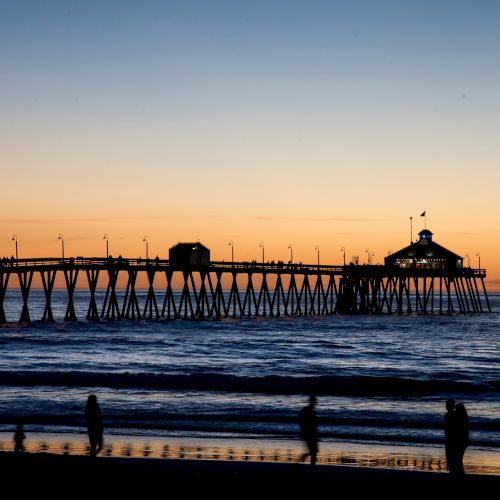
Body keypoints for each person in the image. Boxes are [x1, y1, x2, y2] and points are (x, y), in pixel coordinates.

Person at [299, 395, 318, 466]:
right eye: (315, 402)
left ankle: (311, 466)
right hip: (309, 433)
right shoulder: (308, 410)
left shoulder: (308, 410)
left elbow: (301, 421)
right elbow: (302, 422)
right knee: (313, 452)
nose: (315, 403)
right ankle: (311, 467)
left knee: (314, 451)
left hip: (311, 433)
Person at [454, 403, 470, 475]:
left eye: (456, 409)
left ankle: (460, 473)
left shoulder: (459, 418)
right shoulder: (465, 417)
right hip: (464, 441)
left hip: (461, 441)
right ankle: (460, 472)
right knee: (459, 458)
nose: (455, 410)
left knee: (458, 458)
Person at [444, 398, 458, 475]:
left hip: (450, 438)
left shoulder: (448, 415)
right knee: (454, 457)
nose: (445, 406)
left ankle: (452, 472)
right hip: (454, 438)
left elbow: (447, 428)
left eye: (447, 404)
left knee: (450, 456)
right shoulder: (455, 414)